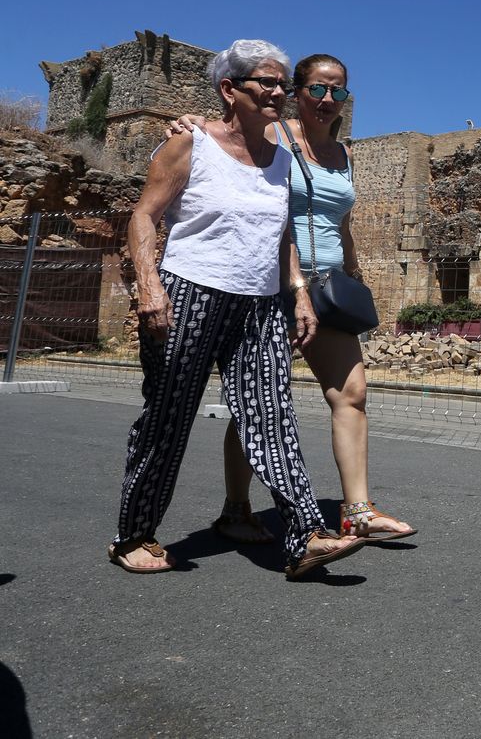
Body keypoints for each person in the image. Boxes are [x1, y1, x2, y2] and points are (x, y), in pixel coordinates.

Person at [110, 40, 362, 579]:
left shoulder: (283, 158)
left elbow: (284, 232)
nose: (278, 93)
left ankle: (306, 536)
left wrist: (298, 292)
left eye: (280, 84)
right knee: (168, 418)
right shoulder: (189, 143)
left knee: (272, 415)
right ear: (230, 89)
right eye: (266, 83)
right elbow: (144, 216)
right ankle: (133, 534)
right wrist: (149, 287)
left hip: (261, 304)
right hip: (189, 294)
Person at [173, 53, 415, 544]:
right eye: (317, 89)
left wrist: (354, 273)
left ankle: (358, 511)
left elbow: (342, 223)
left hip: (328, 287)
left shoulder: (344, 155)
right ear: (296, 92)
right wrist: (190, 120)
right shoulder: (273, 135)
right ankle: (237, 510)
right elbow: (223, 134)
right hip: (272, 284)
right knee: (258, 403)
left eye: (338, 91)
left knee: (352, 394)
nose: (328, 99)